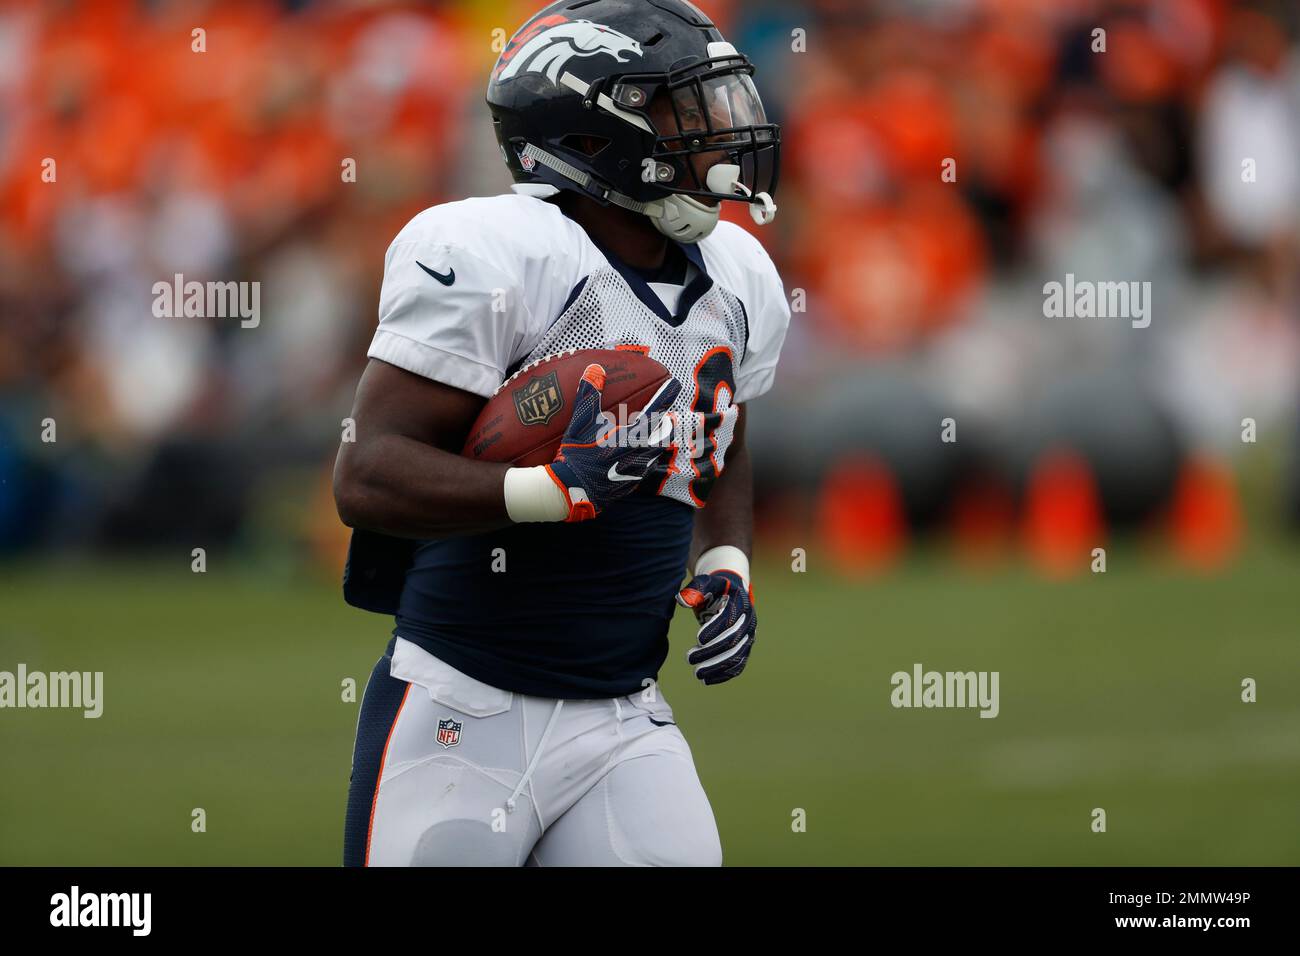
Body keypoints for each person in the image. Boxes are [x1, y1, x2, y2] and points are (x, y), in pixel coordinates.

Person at [334, 0, 789, 866]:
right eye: (682, 111)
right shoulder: (504, 255)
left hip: (625, 717)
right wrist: (547, 493)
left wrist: (725, 561)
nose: (719, 133)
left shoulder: (736, 274)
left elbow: (721, 425)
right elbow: (368, 476)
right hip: (462, 710)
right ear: (593, 135)